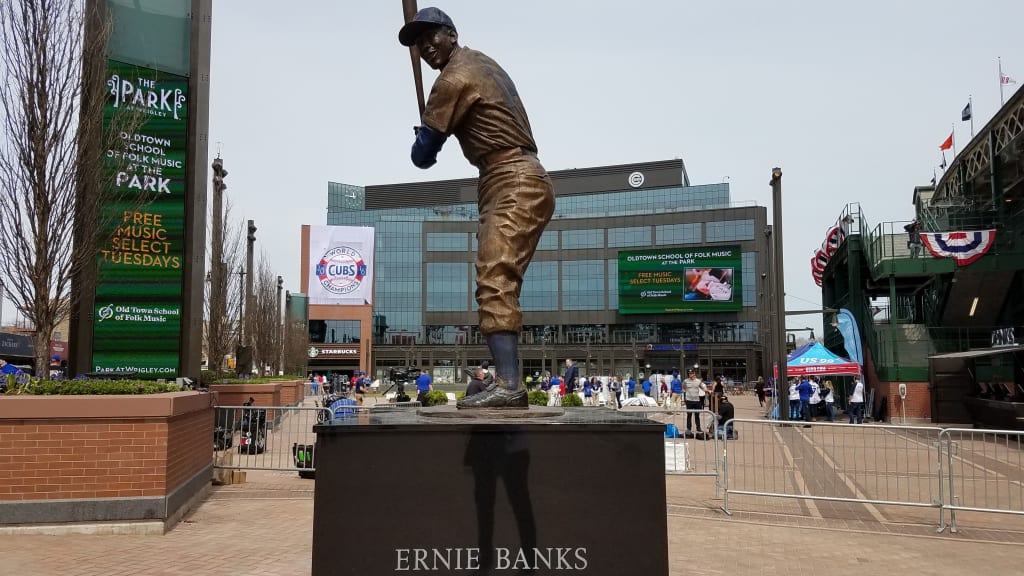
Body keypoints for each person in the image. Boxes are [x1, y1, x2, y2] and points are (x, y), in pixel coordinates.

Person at [401, 8, 555, 409]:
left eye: (432, 37)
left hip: (511, 177)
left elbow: (422, 156)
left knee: (494, 279)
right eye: (419, 43)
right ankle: (506, 381)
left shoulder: (453, 78)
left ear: (452, 34)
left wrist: (423, 134)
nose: (426, 47)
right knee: (496, 278)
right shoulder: (481, 61)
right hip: (512, 175)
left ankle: (509, 385)